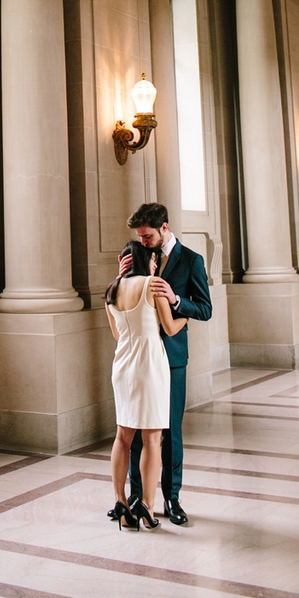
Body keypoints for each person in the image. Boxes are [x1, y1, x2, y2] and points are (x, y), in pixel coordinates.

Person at [109, 202, 212, 525]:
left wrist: (176, 299)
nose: (143, 241)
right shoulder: (140, 263)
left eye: (148, 235)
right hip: (142, 358)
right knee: (139, 433)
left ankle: (172, 498)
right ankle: (138, 498)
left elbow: (205, 309)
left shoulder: (191, 260)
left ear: (164, 228)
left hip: (171, 358)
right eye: (139, 237)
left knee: (170, 433)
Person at [105, 241, 187, 530]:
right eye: (154, 261)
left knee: (123, 437)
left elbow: (117, 334)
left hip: (122, 365)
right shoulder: (153, 284)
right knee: (152, 439)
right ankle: (148, 508)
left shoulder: (112, 290)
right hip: (149, 365)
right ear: (148, 260)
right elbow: (169, 327)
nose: (156, 265)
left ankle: (121, 502)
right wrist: (186, 312)